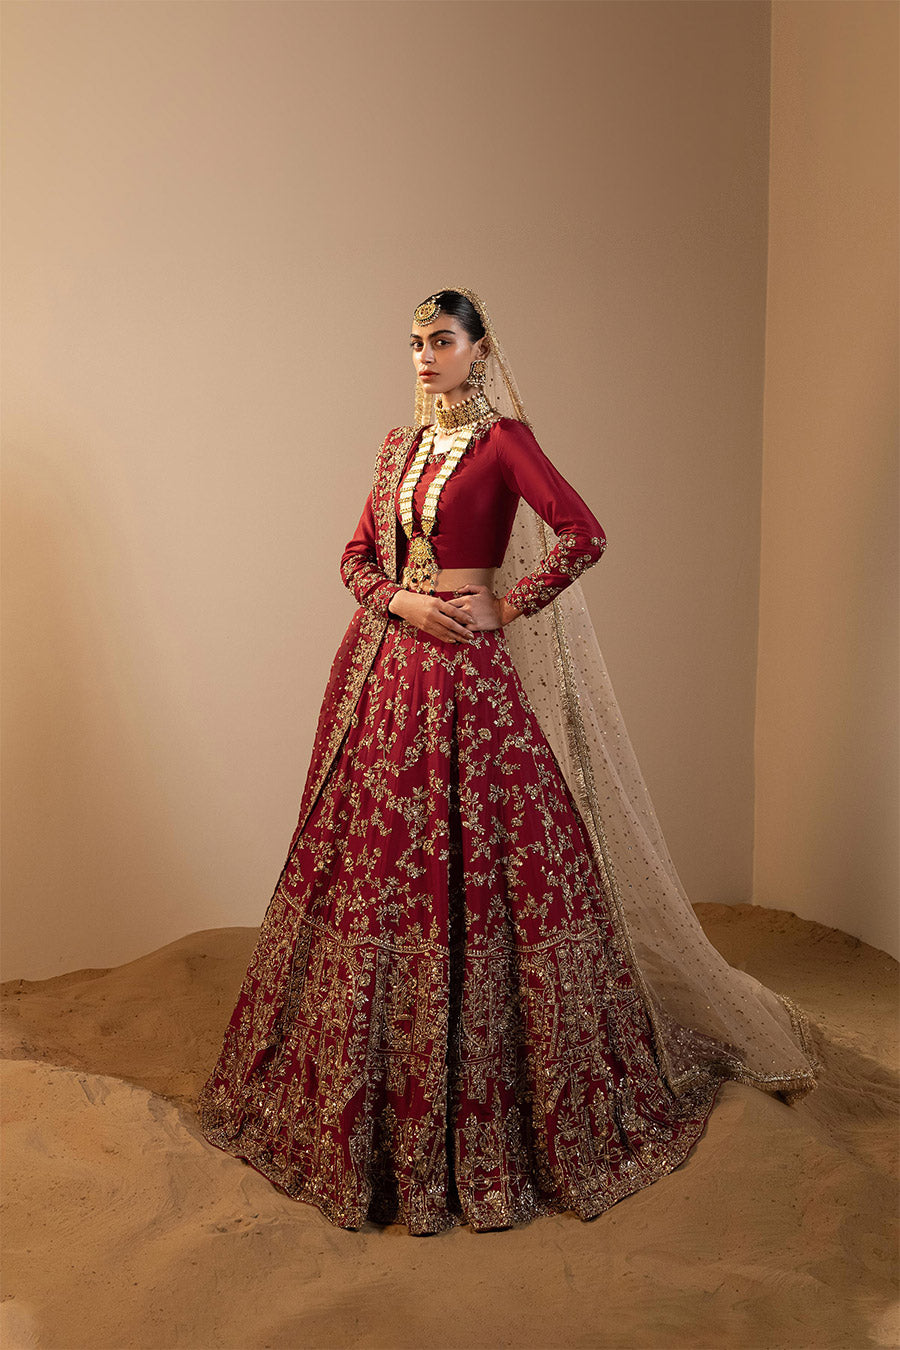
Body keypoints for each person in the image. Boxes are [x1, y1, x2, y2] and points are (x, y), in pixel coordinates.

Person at [196, 286, 820, 1236]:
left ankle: (497, 1106)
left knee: (490, 868)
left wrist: (513, 603)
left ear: (480, 351)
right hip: (386, 676)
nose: (422, 357)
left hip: (468, 685)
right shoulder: (395, 451)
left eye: (440, 341)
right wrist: (400, 604)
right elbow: (357, 557)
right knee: (378, 872)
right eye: (413, 343)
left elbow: (585, 534)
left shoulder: (504, 444)